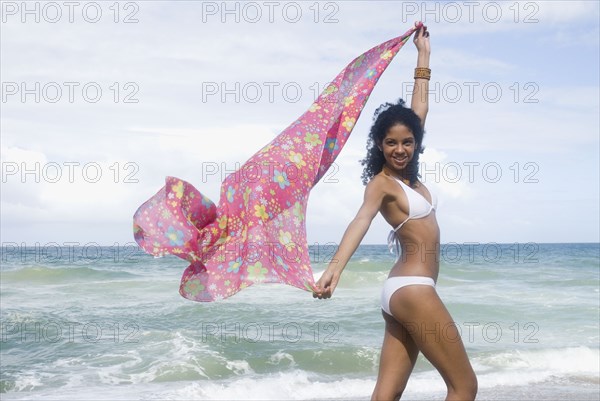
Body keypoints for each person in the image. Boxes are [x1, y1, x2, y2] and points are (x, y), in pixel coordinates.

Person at [313, 25, 478, 401]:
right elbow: (360, 221)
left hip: (400, 292)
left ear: (416, 143)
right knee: (464, 387)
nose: (400, 149)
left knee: (387, 392)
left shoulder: (409, 176)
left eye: (407, 142)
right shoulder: (382, 183)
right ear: (379, 145)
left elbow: (420, 109)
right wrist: (334, 270)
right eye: (391, 143)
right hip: (413, 290)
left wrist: (423, 57)